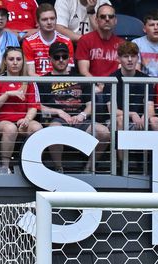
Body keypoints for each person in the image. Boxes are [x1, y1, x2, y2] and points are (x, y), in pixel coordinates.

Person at [38, 40, 107, 168]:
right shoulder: (42, 80)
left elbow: (91, 104)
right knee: (54, 131)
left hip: (79, 119)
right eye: (57, 57)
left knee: (104, 132)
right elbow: (38, 106)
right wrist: (59, 112)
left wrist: (82, 115)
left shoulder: (80, 78)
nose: (61, 60)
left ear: (69, 58)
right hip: (56, 120)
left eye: (64, 56)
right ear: (50, 59)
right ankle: (59, 169)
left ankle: (89, 168)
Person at [0, 45, 41, 173]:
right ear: (5, 61)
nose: (15, 62)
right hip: (1, 122)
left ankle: (33, 167)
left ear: (23, 61)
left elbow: (33, 107)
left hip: (23, 120)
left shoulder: (30, 81)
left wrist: (27, 119)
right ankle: (5, 167)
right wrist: (7, 94)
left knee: (37, 128)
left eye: (18, 59)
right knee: (10, 128)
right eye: (11, 59)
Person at [110, 39, 158, 131]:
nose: (130, 60)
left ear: (137, 58)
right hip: (118, 119)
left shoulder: (146, 79)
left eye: (133, 56)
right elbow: (112, 110)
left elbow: (150, 108)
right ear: (119, 59)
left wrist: (145, 117)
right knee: (121, 119)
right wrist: (132, 114)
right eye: (126, 56)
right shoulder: (112, 79)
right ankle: (119, 142)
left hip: (140, 120)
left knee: (155, 120)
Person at [23, 3, 72, 75]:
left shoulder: (66, 42)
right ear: (37, 22)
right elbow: (31, 73)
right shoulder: (29, 42)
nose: (49, 22)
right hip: (38, 81)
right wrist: (46, 82)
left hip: (61, 81)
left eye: (52, 18)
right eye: (44, 19)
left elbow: (67, 72)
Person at [75, 3, 119, 77]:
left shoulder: (122, 44)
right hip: (91, 83)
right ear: (96, 20)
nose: (107, 19)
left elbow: (122, 72)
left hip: (114, 83)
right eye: (103, 16)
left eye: (111, 16)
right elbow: (84, 71)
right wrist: (96, 83)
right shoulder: (85, 40)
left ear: (115, 20)